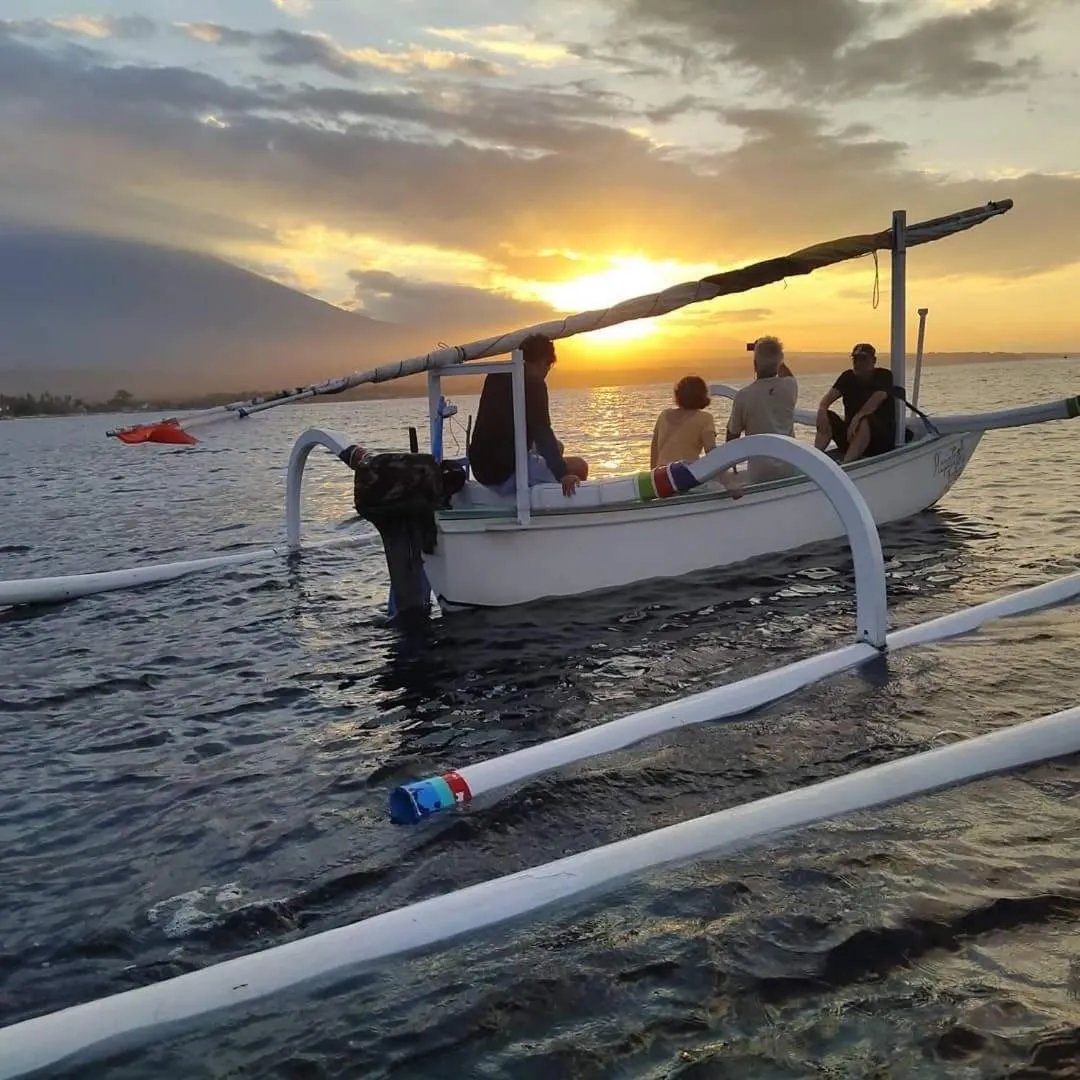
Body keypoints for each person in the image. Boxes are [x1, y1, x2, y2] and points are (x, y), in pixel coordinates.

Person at [468, 333, 588, 497]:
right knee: (579, 466)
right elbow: (542, 432)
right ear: (543, 361)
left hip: (481, 467)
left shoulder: (497, 375)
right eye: (548, 364)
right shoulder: (533, 384)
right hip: (505, 471)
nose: (547, 370)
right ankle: (574, 505)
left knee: (558, 447)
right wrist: (563, 474)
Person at [650, 376, 744, 498]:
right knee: (718, 488)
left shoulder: (664, 415)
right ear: (703, 396)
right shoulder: (705, 418)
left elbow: (654, 449)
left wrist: (653, 481)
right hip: (683, 477)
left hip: (661, 479)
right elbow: (712, 453)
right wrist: (729, 483)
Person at [725, 335, 799, 485]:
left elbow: (733, 434)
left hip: (761, 474)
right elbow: (788, 374)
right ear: (780, 361)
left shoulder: (744, 396)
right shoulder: (789, 387)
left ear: (754, 364)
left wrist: (731, 465)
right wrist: (776, 355)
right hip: (790, 467)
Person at [814, 343, 896, 462]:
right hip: (851, 436)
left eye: (863, 360)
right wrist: (822, 409)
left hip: (879, 440)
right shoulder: (848, 377)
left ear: (873, 360)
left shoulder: (883, 375)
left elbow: (878, 397)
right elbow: (829, 398)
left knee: (864, 420)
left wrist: (858, 417)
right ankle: (815, 458)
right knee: (826, 416)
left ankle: (846, 464)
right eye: (856, 359)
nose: (858, 364)